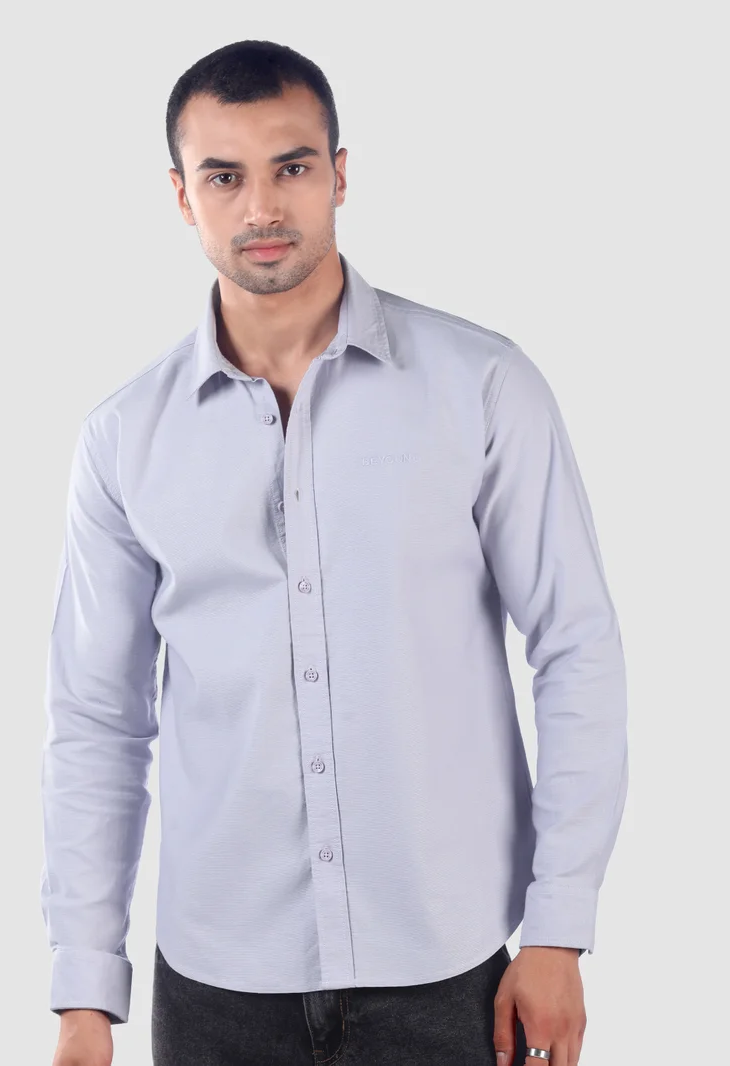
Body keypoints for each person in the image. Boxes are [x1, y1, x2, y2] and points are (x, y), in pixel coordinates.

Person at [41, 39, 629, 1066]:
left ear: (340, 176)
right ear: (181, 196)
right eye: (224, 177)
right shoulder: (125, 438)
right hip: (216, 986)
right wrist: (84, 993)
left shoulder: (480, 386)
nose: (262, 206)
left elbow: (575, 646)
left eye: (292, 166)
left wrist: (556, 928)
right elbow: (98, 717)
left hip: (448, 970)